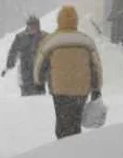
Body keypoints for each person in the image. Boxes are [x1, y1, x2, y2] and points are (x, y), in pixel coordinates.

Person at [34, 5, 103, 139]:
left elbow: (39, 64)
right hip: (81, 89)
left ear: (59, 20)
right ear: (75, 21)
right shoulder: (86, 41)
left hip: (60, 88)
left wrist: (38, 81)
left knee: (62, 121)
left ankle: (62, 148)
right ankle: (74, 145)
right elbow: (96, 67)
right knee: (75, 121)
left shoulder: (51, 40)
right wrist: (97, 88)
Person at [2, 15, 48, 97]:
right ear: (27, 26)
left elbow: (50, 52)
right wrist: (9, 65)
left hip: (40, 71)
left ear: (38, 26)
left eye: (35, 25)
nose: (33, 28)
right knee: (27, 96)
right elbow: (13, 51)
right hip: (25, 71)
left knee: (40, 96)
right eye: (31, 25)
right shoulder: (20, 37)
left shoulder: (44, 36)